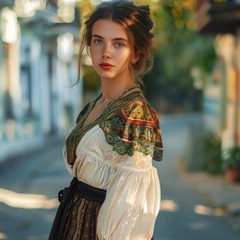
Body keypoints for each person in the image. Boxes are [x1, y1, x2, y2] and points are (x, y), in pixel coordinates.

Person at [48, 1, 163, 239]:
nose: (106, 52)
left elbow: (131, 212)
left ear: (135, 53)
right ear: (89, 45)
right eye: (98, 40)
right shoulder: (94, 105)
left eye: (118, 43)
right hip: (71, 224)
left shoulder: (137, 115)